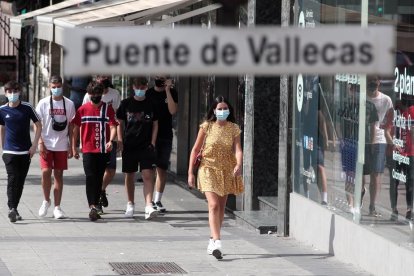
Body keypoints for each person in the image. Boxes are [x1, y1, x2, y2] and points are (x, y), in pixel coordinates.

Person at [188, 95, 244, 260]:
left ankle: (212, 239)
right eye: (219, 109)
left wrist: (239, 164)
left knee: (221, 207)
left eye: (225, 108)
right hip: (207, 169)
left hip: (226, 170)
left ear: (229, 110)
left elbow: (238, 149)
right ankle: (218, 242)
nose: (222, 111)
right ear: (214, 110)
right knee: (213, 205)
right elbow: (195, 149)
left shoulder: (234, 128)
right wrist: (191, 172)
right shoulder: (206, 127)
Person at [71, 81, 117, 221]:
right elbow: (75, 128)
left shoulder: (108, 109)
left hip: (103, 150)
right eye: (93, 94)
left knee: (98, 178)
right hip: (88, 150)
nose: (95, 96)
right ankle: (92, 206)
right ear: (89, 94)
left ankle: (96, 204)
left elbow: (113, 126)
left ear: (101, 94)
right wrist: (74, 147)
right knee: (90, 177)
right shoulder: (82, 110)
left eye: (98, 94)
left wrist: (111, 140)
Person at [116, 76, 159, 220]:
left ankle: (148, 205)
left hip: (146, 146)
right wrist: (120, 140)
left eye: (143, 88)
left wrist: (153, 142)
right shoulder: (125, 104)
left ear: (146, 87)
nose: (140, 90)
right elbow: (119, 123)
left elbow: (155, 124)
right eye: (138, 88)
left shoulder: (151, 104)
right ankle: (130, 203)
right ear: (133, 88)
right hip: (129, 145)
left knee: (148, 174)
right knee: (130, 175)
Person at [0, 80, 42, 222]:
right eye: (10, 92)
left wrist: (34, 145)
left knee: (20, 181)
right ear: (6, 93)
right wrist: (3, 148)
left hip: (25, 151)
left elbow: (38, 124)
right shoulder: (2, 110)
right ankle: (11, 208)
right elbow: (2, 128)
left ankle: (15, 208)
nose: (13, 94)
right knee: (12, 179)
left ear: (19, 92)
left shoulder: (27, 107)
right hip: (9, 152)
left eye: (15, 91)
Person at [35, 75, 76, 219]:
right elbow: (37, 124)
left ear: (62, 86)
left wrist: (72, 146)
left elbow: (72, 126)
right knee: (46, 172)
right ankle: (46, 201)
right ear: (49, 87)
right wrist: (40, 142)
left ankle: (57, 207)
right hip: (46, 143)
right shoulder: (43, 103)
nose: (56, 89)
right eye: (53, 87)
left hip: (61, 144)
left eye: (58, 86)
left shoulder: (69, 104)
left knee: (58, 174)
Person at [339, 83, 378, 214]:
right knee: (349, 174)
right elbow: (340, 122)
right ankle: (350, 204)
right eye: (353, 89)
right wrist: (340, 139)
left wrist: (372, 145)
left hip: (363, 145)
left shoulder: (369, 106)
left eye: (358, 89)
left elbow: (373, 127)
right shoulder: (346, 105)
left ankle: (360, 193)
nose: (355, 92)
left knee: (360, 175)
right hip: (349, 143)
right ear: (350, 90)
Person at [83, 77, 121, 212]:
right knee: (92, 175)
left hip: (108, 142)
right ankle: (94, 203)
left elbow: (117, 121)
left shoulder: (114, 95)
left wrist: (117, 139)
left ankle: (101, 191)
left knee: (109, 170)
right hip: (90, 144)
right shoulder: (87, 99)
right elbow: (80, 121)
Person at [146, 75, 178, 212]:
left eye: (163, 77)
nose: (160, 79)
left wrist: (168, 90)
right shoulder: (148, 93)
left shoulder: (172, 92)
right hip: (150, 135)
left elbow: (173, 110)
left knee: (162, 168)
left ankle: (157, 200)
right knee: (150, 169)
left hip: (165, 134)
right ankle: (149, 201)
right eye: (158, 76)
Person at [365, 75, 393, 217]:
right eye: (370, 80)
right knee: (363, 174)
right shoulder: (361, 97)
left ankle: (372, 206)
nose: (372, 83)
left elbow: (390, 119)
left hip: (379, 140)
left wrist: (389, 137)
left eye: (375, 81)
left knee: (375, 175)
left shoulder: (386, 100)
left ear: (379, 83)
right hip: (363, 139)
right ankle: (361, 193)